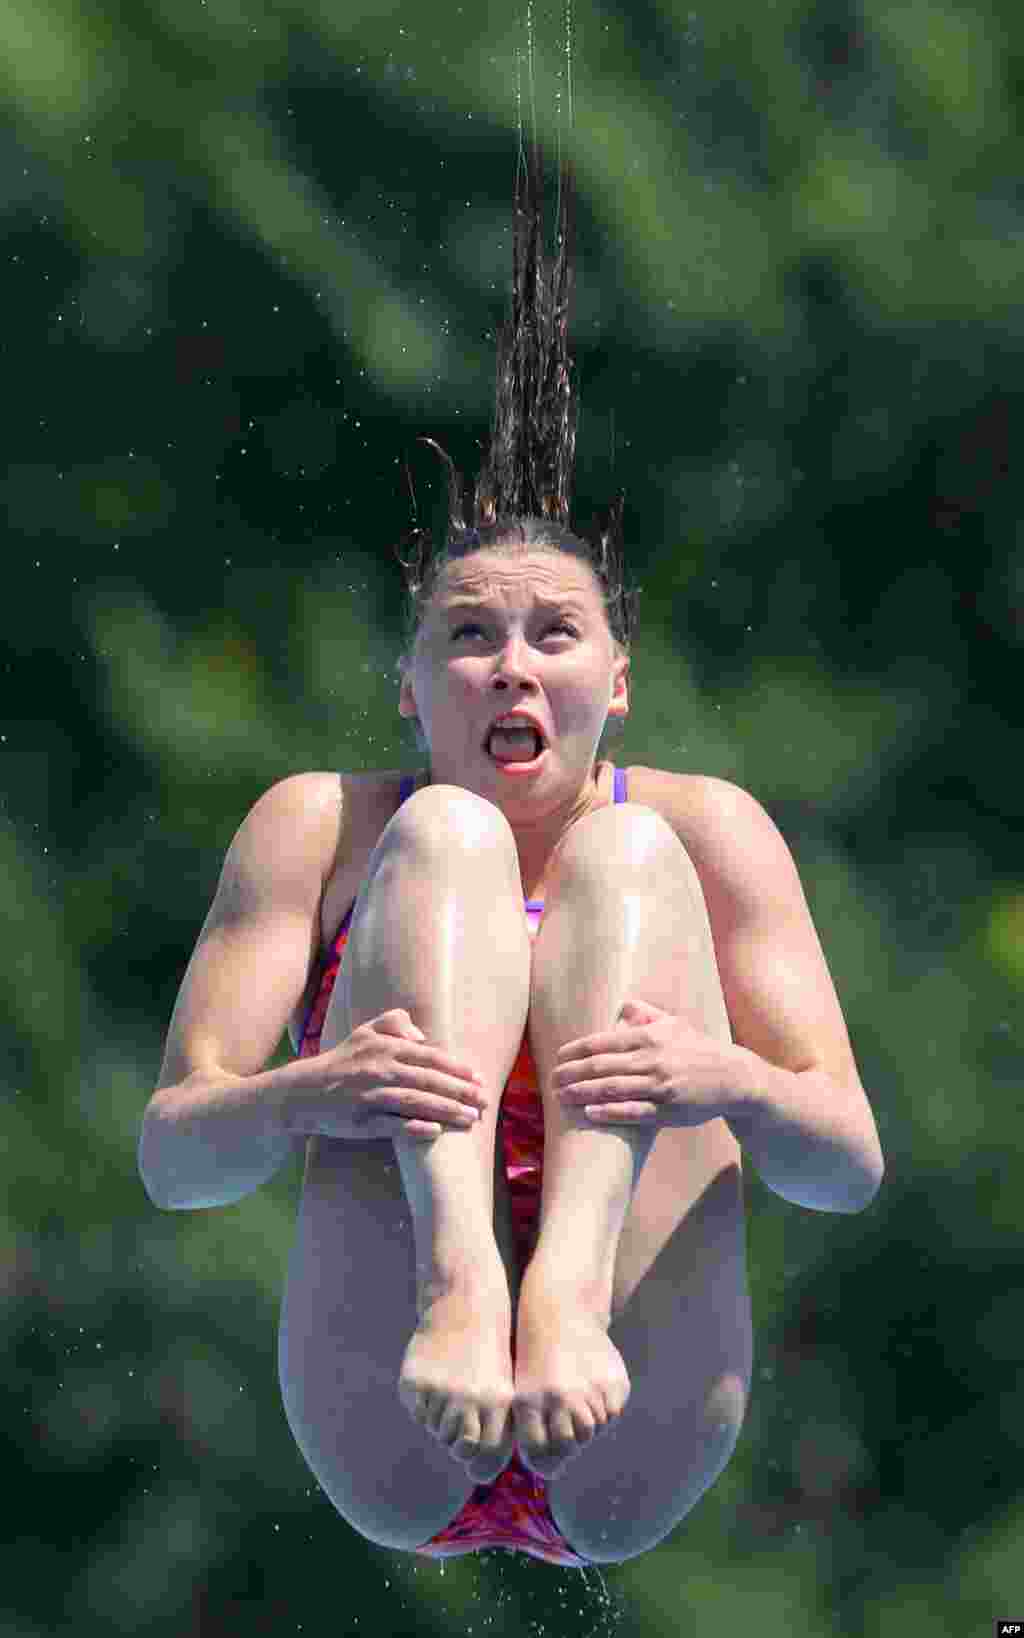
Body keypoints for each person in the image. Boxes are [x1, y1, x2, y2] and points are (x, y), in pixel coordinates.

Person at [138, 131, 884, 1569]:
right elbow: (177, 1155)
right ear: (409, 684)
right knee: (445, 836)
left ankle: (563, 1284)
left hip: (631, 1398)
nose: (511, 670)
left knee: (631, 855)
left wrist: (718, 1076)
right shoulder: (327, 826)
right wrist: (317, 1085)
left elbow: (844, 1160)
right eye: (467, 637)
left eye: (555, 635)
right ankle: (465, 1276)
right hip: (395, 1398)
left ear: (620, 676)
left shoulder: (708, 835)